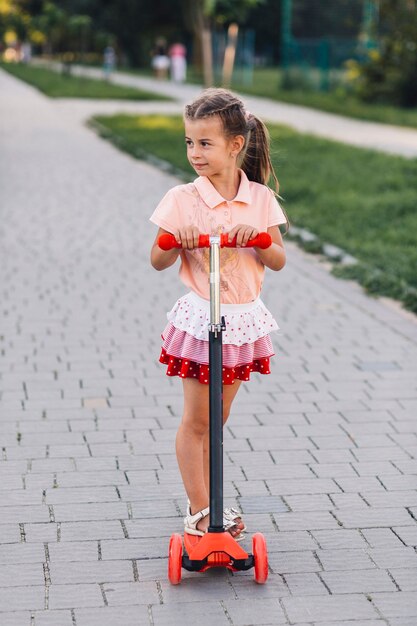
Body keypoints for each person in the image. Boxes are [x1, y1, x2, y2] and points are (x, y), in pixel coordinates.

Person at [150, 88, 288, 541]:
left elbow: (279, 259)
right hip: (200, 318)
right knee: (196, 421)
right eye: (189, 142)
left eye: (204, 143)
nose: (194, 153)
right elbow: (157, 258)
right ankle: (200, 511)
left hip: (242, 320)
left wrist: (260, 239)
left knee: (216, 422)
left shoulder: (261, 200)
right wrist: (179, 238)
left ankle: (210, 504)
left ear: (235, 145)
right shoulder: (182, 199)